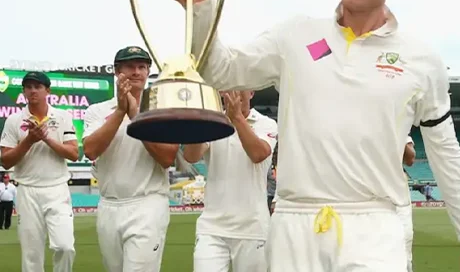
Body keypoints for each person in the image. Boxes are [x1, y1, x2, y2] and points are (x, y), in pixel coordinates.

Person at [169, 0, 460, 271]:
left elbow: (443, 150)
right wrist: (200, 7)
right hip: (295, 221)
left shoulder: (420, 58)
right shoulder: (295, 34)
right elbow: (221, 70)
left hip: (374, 224)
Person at [82, 46, 180, 272]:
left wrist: (135, 115)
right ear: (117, 72)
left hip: (148, 203)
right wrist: (120, 112)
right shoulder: (97, 111)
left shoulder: (161, 109)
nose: (136, 72)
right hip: (109, 204)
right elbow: (90, 150)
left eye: (142, 67)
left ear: (148, 72)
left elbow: (167, 157)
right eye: (129, 67)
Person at [183, 90, 278, 272]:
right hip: (212, 227)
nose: (234, 92)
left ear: (251, 92)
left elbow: (258, 154)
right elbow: (191, 156)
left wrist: (236, 119)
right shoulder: (213, 123)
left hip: (252, 228)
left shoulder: (266, 124)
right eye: (229, 86)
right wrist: (197, 126)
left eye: (240, 86)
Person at [0, 71, 79, 272]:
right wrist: (29, 140)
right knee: (31, 254)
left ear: (47, 90)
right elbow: (6, 161)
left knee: (65, 246)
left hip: (57, 188)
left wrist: (46, 139)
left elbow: (73, 154)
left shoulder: (62, 117)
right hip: (27, 190)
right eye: (28, 87)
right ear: (24, 91)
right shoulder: (14, 120)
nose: (33, 91)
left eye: (38, 86)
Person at [398, 136, 416, 272]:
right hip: (367, 197)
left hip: (398, 198)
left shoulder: (397, 123)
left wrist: (397, 136)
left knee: (404, 244)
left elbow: (410, 159)